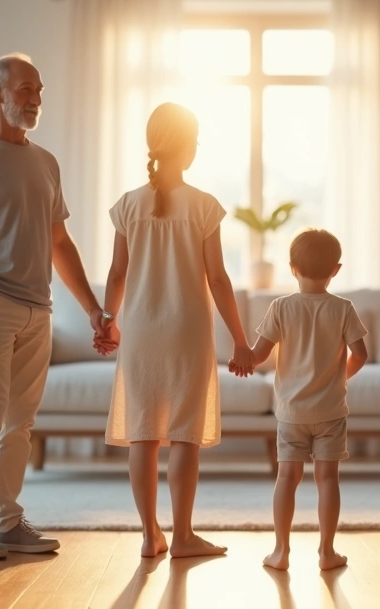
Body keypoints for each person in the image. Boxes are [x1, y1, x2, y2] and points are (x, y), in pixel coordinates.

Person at [0, 53, 104, 560]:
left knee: (19, 423)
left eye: (39, 90)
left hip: (39, 308)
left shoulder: (46, 162)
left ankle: (7, 521)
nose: (35, 99)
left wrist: (93, 309)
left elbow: (61, 244)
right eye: (25, 89)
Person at [94, 103, 256, 558]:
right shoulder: (203, 206)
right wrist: (240, 340)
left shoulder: (128, 205)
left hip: (141, 330)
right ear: (189, 149)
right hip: (187, 330)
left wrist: (107, 320)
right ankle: (183, 536)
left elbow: (117, 274)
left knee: (143, 433)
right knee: (185, 433)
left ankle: (150, 536)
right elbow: (218, 279)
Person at [241, 229, 368, 571]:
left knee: (287, 478)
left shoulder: (281, 307)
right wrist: (340, 378)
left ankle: (281, 551)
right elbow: (361, 354)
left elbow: (258, 355)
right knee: (328, 480)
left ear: (292, 268)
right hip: (330, 412)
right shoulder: (343, 308)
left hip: (291, 413)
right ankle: (327, 552)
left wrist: (243, 358)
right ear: (336, 270)